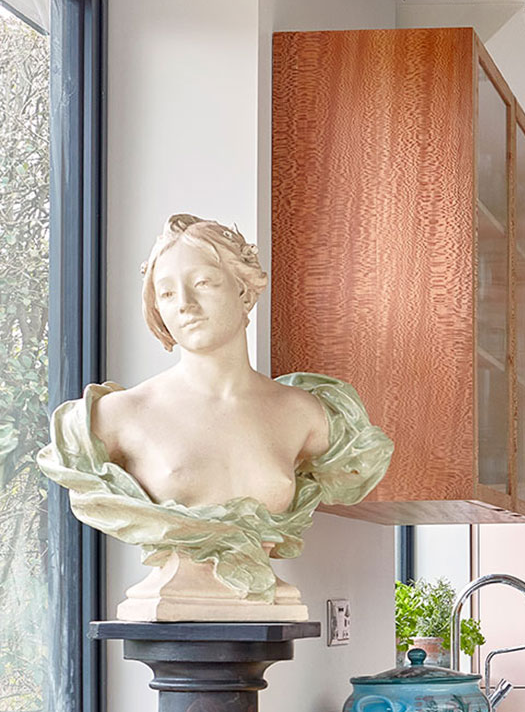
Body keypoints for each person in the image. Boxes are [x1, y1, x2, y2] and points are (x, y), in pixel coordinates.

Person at [39, 215, 391, 614]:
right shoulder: (116, 417)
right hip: (172, 604)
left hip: (266, 613)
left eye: (203, 283)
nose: (185, 304)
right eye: (166, 293)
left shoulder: (306, 414)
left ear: (243, 290)